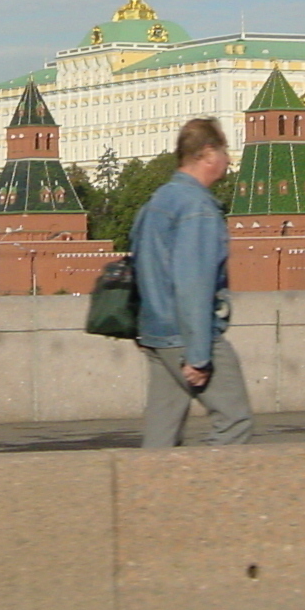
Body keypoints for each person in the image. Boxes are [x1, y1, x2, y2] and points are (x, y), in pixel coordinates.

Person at [129, 117, 254, 448]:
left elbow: (140, 267)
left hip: (155, 335)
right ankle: (201, 495)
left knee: (161, 437)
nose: (228, 161)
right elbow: (193, 285)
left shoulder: (157, 201)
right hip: (187, 335)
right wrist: (199, 355)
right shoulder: (197, 208)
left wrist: (144, 329)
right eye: (226, 152)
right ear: (209, 153)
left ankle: (148, 497)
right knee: (234, 421)